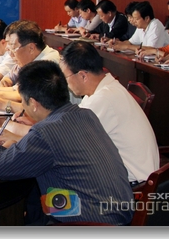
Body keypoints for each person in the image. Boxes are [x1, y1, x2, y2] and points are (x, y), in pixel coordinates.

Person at [0, 60, 134, 225]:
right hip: (120, 214)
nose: (22, 106)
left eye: (22, 100)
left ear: (34, 103)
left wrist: (1, 145)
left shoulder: (46, 132)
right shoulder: (86, 115)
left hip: (86, 224)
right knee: (39, 198)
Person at [59, 41, 159, 185]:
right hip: (123, 172)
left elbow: (67, 139)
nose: (65, 83)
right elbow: (71, 123)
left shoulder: (104, 98)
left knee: (57, 175)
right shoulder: (104, 88)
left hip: (132, 184)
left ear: (83, 76)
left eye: (65, 77)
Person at [0, 21, 60, 110]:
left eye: (13, 48)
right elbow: (14, 85)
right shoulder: (29, 58)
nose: (10, 54)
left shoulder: (47, 63)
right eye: (8, 48)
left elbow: (24, 96)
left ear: (31, 48)